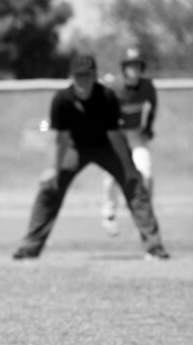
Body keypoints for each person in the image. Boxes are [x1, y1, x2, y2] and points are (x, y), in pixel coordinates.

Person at [12, 54, 170, 260]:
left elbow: (115, 136)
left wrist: (128, 167)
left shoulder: (106, 97)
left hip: (107, 147)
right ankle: (29, 247)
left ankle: (154, 247)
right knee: (49, 187)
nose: (83, 80)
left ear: (95, 75)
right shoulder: (62, 100)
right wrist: (53, 168)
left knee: (135, 184)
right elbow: (60, 139)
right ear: (71, 76)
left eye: (88, 75)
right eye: (79, 75)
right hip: (76, 148)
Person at [101, 47, 158, 235]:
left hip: (135, 136)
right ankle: (109, 214)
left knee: (146, 175)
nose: (133, 69)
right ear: (124, 68)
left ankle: (143, 217)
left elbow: (153, 105)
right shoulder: (114, 87)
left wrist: (148, 127)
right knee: (112, 178)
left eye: (136, 65)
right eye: (129, 65)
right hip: (118, 137)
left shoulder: (147, 86)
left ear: (141, 68)